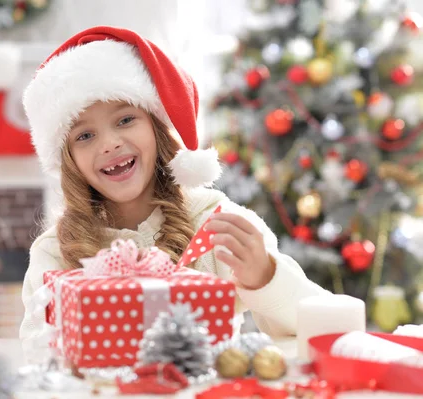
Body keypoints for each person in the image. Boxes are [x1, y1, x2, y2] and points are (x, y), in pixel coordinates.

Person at [20, 26, 329, 341]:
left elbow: (320, 325)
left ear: (157, 128)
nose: (109, 144)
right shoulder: (54, 253)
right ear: (69, 159)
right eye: (85, 136)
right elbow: (38, 351)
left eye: (125, 119)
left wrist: (265, 278)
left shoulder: (217, 226)